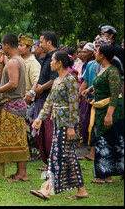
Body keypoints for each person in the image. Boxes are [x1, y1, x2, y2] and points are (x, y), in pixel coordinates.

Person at [30, 51, 88, 200]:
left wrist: (70, 127)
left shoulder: (69, 80)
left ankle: (47, 189)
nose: (50, 63)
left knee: (56, 155)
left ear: (60, 63)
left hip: (65, 124)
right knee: (69, 157)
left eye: (53, 60)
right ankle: (81, 190)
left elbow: (74, 104)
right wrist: (40, 118)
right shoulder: (57, 80)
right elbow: (49, 102)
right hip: (57, 122)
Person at [0, 34, 29, 182]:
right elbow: (4, 80)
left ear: (6, 45)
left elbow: (13, 84)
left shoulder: (14, 62)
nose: (2, 48)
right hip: (13, 104)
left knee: (18, 140)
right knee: (15, 139)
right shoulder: (14, 61)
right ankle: (19, 172)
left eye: (2, 46)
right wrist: (0, 63)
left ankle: (22, 173)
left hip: (13, 105)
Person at [89, 45, 124, 184]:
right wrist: (92, 91)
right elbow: (103, 87)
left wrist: (109, 114)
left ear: (102, 55)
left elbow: (115, 94)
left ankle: (106, 175)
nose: (94, 53)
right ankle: (106, 174)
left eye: (96, 51)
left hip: (112, 111)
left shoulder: (113, 71)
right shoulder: (103, 69)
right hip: (100, 109)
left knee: (115, 140)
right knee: (106, 140)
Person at [28, 31, 59, 168]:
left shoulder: (56, 57)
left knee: (49, 134)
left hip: (49, 101)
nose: (39, 45)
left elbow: (54, 80)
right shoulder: (48, 57)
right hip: (42, 99)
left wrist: (41, 88)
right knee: (41, 135)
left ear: (49, 42)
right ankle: (49, 162)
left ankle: (53, 163)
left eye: (41, 42)